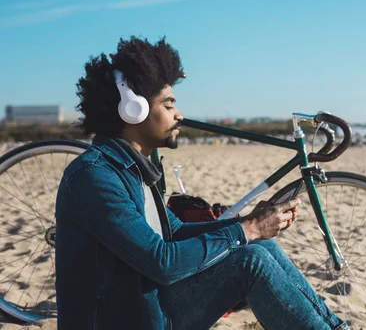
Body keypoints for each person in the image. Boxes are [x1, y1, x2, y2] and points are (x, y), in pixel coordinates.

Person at [55, 36, 349, 330]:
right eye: (169, 105)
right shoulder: (95, 177)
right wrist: (248, 230)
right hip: (122, 321)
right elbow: (162, 262)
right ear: (134, 109)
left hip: (145, 309)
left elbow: (175, 232)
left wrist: (250, 222)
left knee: (262, 247)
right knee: (251, 260)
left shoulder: (132, 169)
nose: (179, 115)